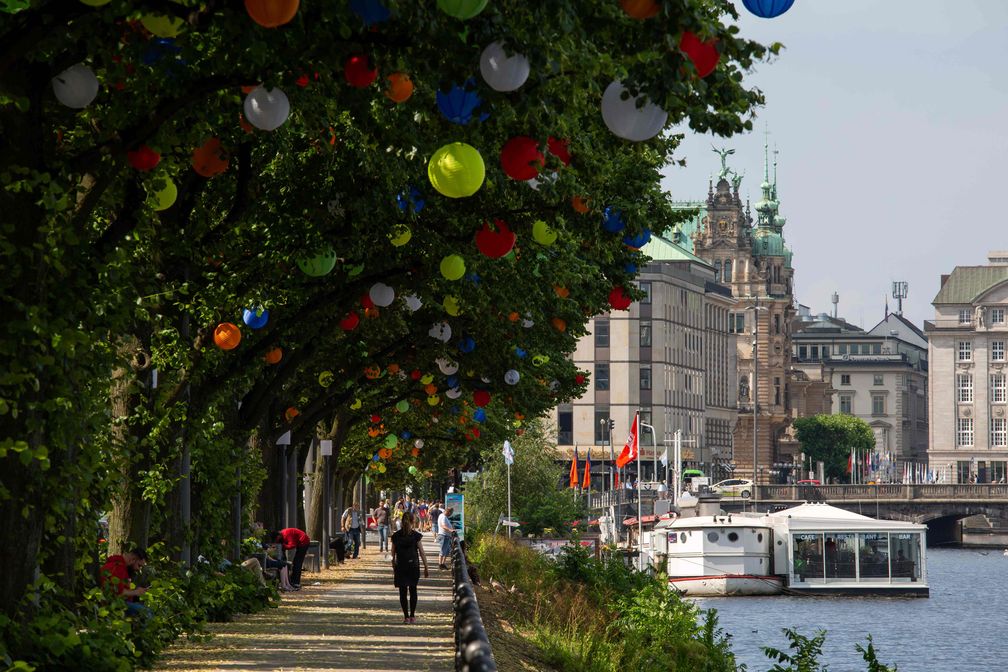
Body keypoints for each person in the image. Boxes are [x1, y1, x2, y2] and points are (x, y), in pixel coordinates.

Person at [390, 511, 428, 624]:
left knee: (402, 592)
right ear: (412, 521)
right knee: (413, 590)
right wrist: (426, 567)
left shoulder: (396, 536)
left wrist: (393, 566)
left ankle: (406, 617)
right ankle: (412, 616)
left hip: (401, 566)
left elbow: (392, 554)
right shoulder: (416, 536)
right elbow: (422, 552)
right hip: (413, 566)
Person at [100, 548, 151, 618]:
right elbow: (118, 592)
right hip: (111, 603)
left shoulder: (121, 567)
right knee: (146, 612)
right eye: (139, 565)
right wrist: (136, 592)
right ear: (133, 559)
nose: (138, 569)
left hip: (115, 602)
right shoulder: (117, 567)